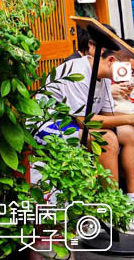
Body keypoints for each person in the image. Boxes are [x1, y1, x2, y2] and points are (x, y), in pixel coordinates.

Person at [37, 39, 134, 198]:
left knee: (128, 133)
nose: (129, 75)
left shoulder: (104, 78)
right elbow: (84, 121)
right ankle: (113, 206)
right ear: (111, 61)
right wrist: (130, 118)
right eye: (128, 70)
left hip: (75, 124)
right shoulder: (78, 70)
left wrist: (130, 120)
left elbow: (108, 117)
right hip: (48, 124)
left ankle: (131, 199)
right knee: (107, 139)